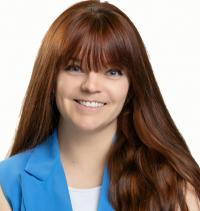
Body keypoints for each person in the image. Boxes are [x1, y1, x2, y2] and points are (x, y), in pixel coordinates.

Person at [0, 0, 200, 210]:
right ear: (51, 77)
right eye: (75, 68)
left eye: (112, 72)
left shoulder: (173, 188)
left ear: (132, 86)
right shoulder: (8, 185)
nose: (91, 86)